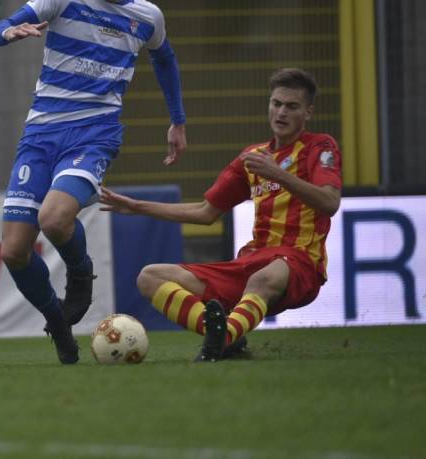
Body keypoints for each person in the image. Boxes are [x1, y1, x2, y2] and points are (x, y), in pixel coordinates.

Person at [0, 0, 187, 364]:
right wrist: (9, 34)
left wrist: (178, 120)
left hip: (95, 134)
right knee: (15, 251)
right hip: (40, 134)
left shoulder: (147, 17)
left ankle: (81, 273)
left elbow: (165, 60)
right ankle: (58, 322)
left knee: (55, 220)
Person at [99, 68, 342, 362]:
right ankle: (223, 334)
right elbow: (205, 212)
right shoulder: (252, 157)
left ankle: (222, 337)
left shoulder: (320, 146)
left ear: (308, 113)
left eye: (292, 106)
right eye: (276, 103)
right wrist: (137, 207)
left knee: (263, 278)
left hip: (300, 263)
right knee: (149, 277)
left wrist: (278, 174)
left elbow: (329, 202)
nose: (281, 112)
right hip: (252, 261)